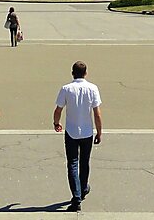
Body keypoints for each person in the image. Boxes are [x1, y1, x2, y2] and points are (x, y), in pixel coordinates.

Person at [53, 61, 102, 212]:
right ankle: (83, 187)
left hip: (71, 132)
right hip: (87, 132)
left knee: (72, 163)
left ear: (72, 73)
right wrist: (99, 132)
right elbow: (97, 113)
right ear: (86, 73)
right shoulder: (93, 88)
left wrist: (56, 123)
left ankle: (76, 196)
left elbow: (58, 110)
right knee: (85, 162)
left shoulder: (66, 89)